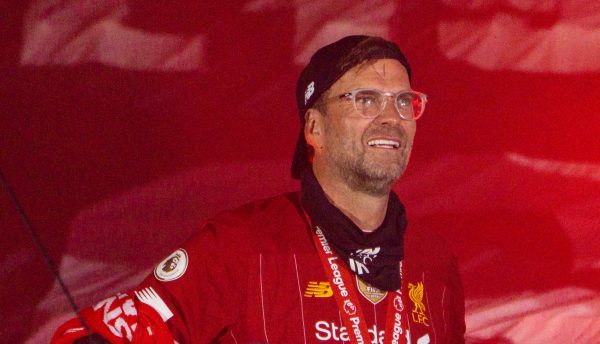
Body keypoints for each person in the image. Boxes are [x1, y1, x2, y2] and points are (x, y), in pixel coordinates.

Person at [52, 35, 465, 344]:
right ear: (314, 128)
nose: (391, 117)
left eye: (403, 101)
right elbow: (87, 334)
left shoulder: (435, 263)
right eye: (366, 100)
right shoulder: (240, 247)